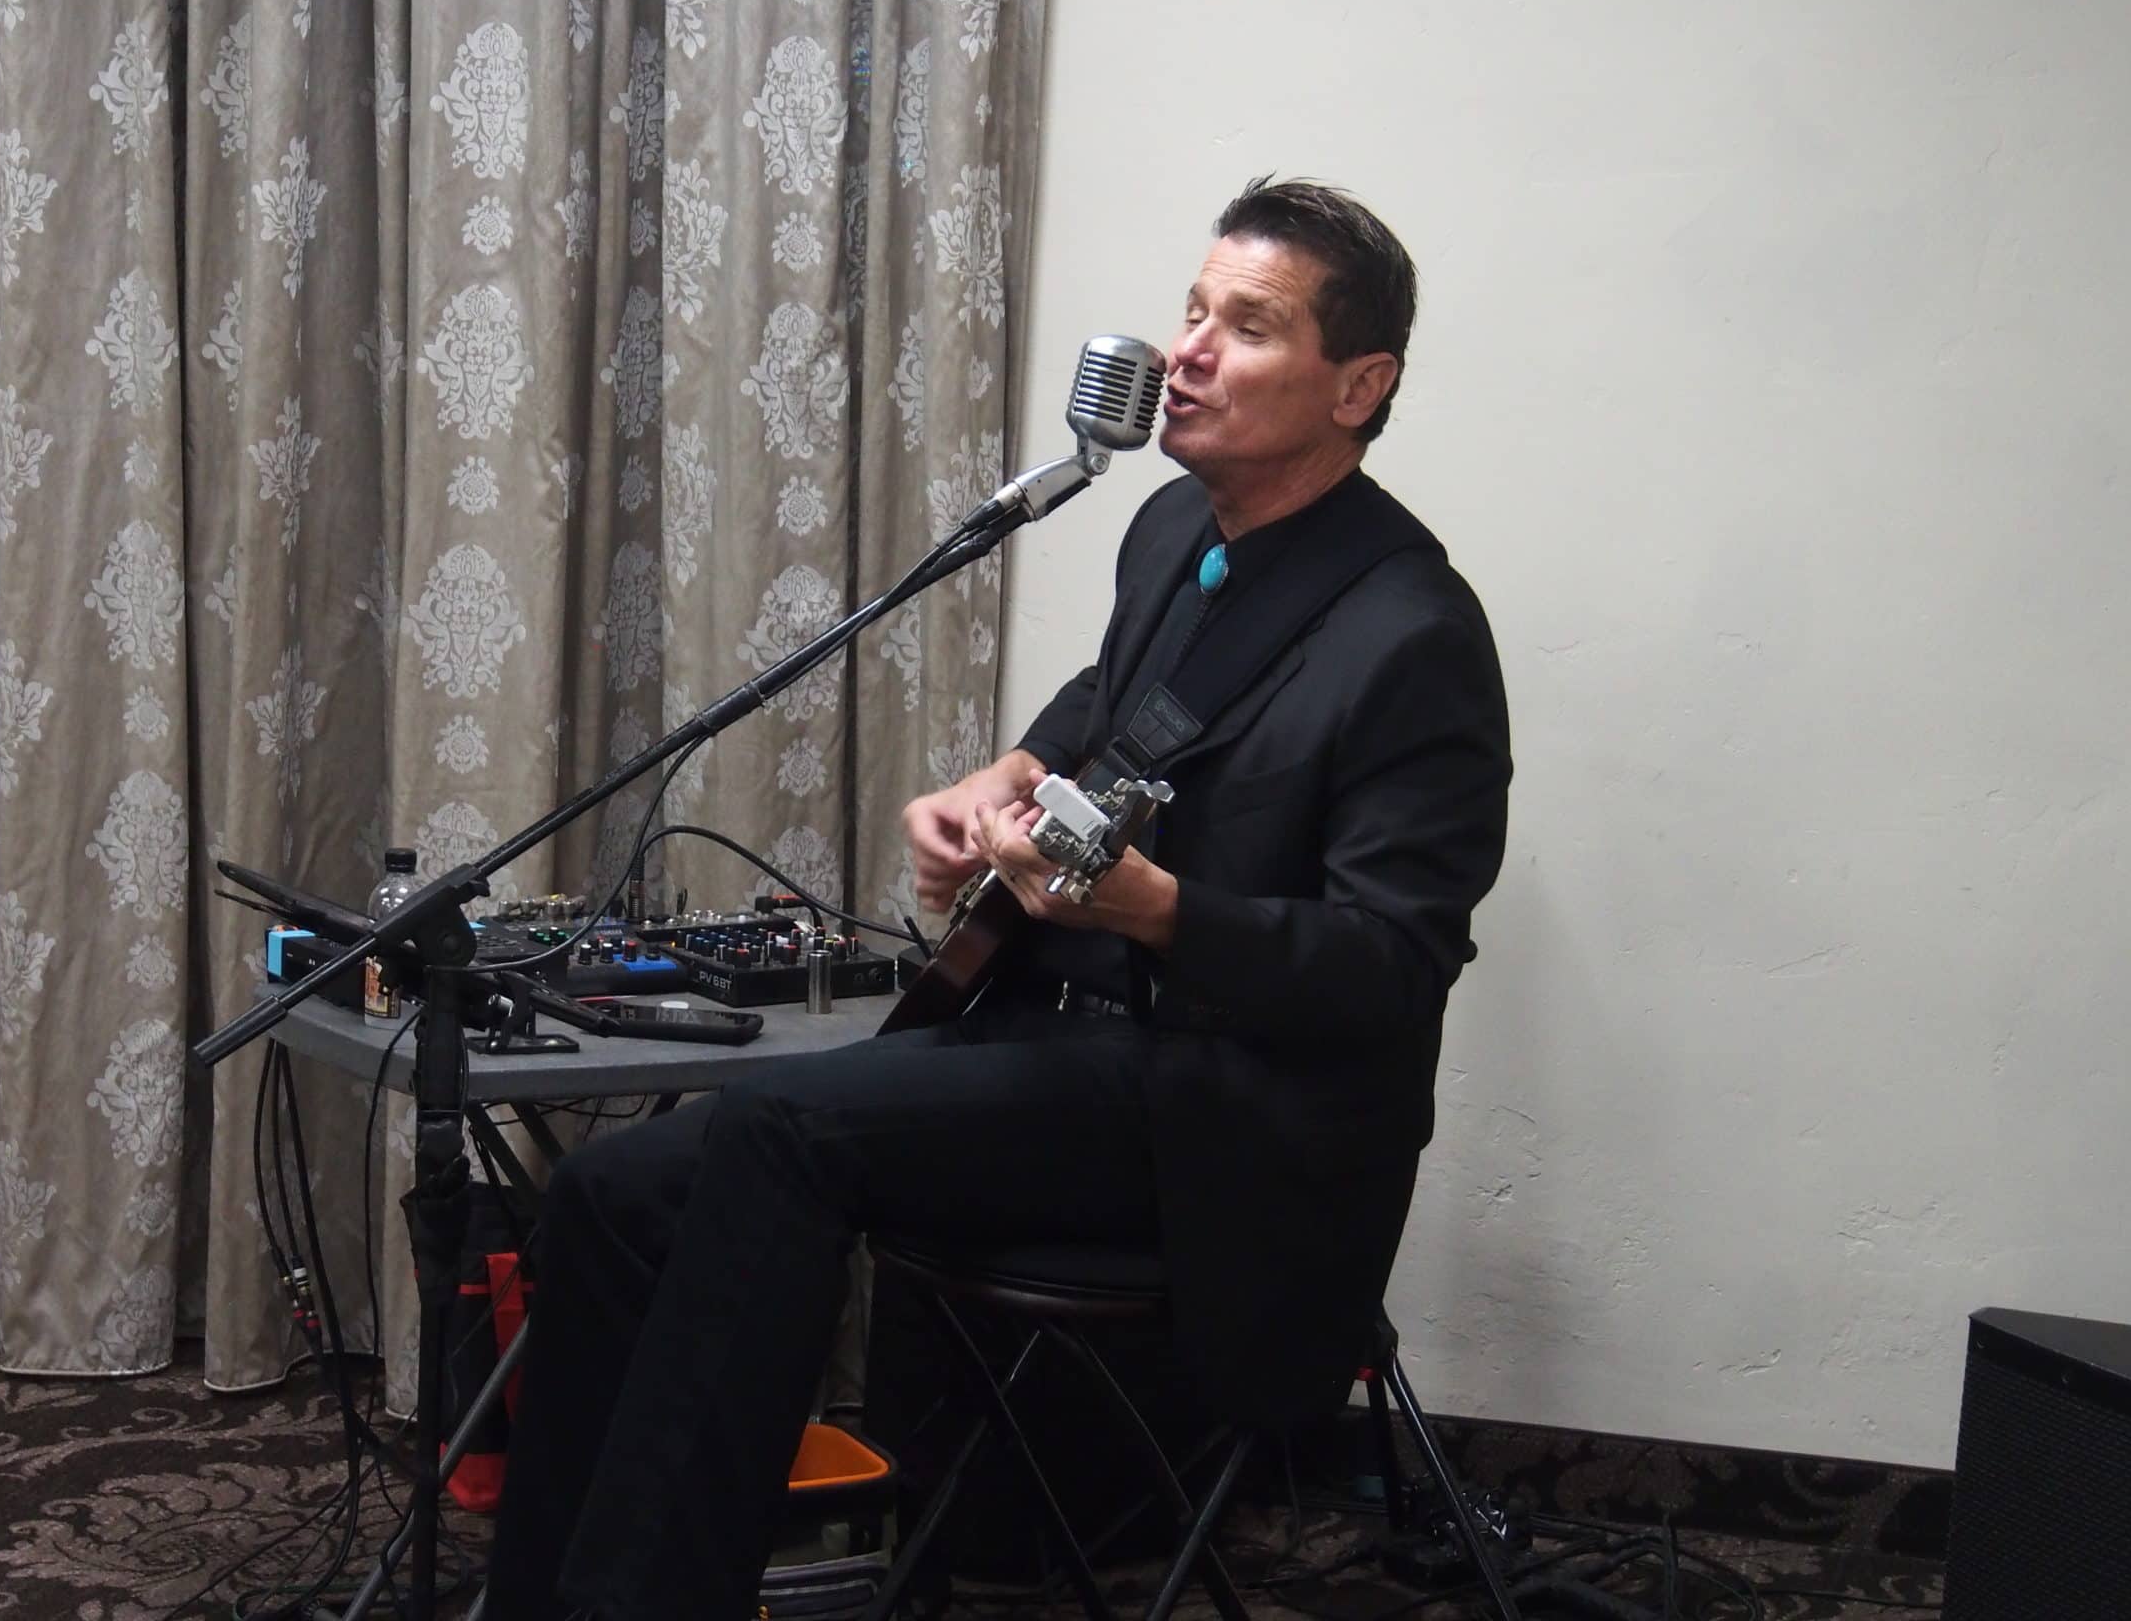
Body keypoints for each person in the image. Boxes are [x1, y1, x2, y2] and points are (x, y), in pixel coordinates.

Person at [480, 177, 1512, 1621]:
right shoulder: (1173, 535)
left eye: (1248, 328)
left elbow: (1390, 971)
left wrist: (1153, 908)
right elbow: (1114, 708)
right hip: (1066, 1054)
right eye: (1195, 311)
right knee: (608, 1192)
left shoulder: (1416, 634)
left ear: (1360, 385)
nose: (1190, 352)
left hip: (1230, 1128)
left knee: (780, 1132)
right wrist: (1001, 775)